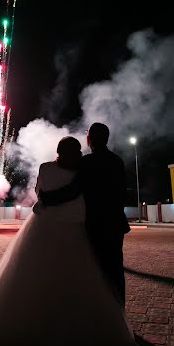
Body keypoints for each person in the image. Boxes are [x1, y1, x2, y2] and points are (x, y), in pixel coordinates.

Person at [0, 135, 135, 346]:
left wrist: (47, 200)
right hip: (93, 225)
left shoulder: (60, 167)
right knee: (102, 274)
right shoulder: (108, 162)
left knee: (37, 276)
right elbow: (104, 191)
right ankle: (116, 316)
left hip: (50, 225)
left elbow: (51, 191)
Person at [38, 122, 130, 307]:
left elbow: (73, 190)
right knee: (115, 269)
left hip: (96, 224)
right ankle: (119, 314)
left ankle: (103, 313)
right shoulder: (117, 161)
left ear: (90, 139)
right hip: (116, 223)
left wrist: (46, 197)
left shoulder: (88, 162)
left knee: (97, 271)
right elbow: (122, 192)